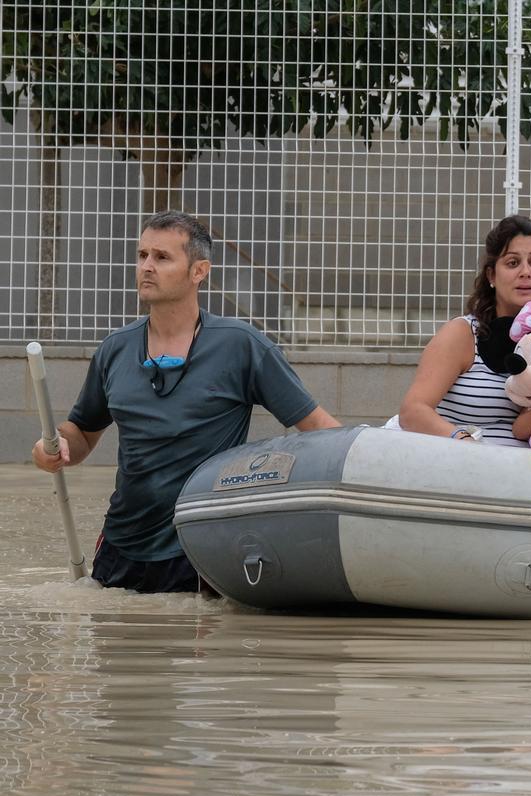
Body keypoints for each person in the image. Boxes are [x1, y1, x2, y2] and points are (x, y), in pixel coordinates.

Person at [31, 210, 341, 594]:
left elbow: (321, 430)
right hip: (121, 547)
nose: (147, 266)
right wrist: (54, 447)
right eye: (142, 255)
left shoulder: (241, 346)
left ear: (199, 271)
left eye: (162, 257)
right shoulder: (115, 349)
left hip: (202, 551)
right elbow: (80, 433)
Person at [398, 215, 531, 446]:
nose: (526, 272)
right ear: (491, 275)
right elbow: (413, 411)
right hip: (460, 468)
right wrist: (464, 442)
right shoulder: (463, 333)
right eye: (513, 263)